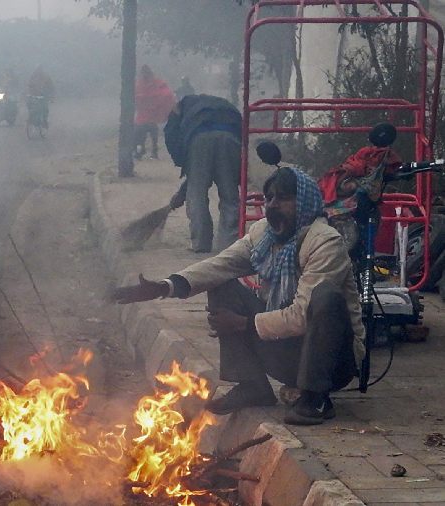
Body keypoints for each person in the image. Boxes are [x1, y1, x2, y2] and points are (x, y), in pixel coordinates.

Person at [112, 165, 364, 426]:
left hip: (334, 362)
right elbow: (222, 265)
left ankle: (315, 398)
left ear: (305, 202)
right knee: (221, 283)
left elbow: (301, 316)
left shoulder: (325, 242)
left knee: (325, 297)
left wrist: (244, 323)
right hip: (286, 353)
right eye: (270, 198)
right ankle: (252, 386)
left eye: (284, 198)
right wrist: (165, 287)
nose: (274, 206)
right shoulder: (264, 233)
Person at [164, 94, 242, 253]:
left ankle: (200, 244)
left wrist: (183, 163)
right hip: (230, 137)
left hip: (199, 139)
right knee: (230, 195)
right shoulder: (223, 103)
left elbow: (170, 134)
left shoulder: (179, 107)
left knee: (196, 194)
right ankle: (229, 247)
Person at [134, 65, 175, 160]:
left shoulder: (142, 84)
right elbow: (166, 94)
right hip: (148, 116)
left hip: (147, 117)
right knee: (148, 136)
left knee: (143, 136)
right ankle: (147, 151)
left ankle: (143, 151)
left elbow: (165, 94)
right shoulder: (148, 83)